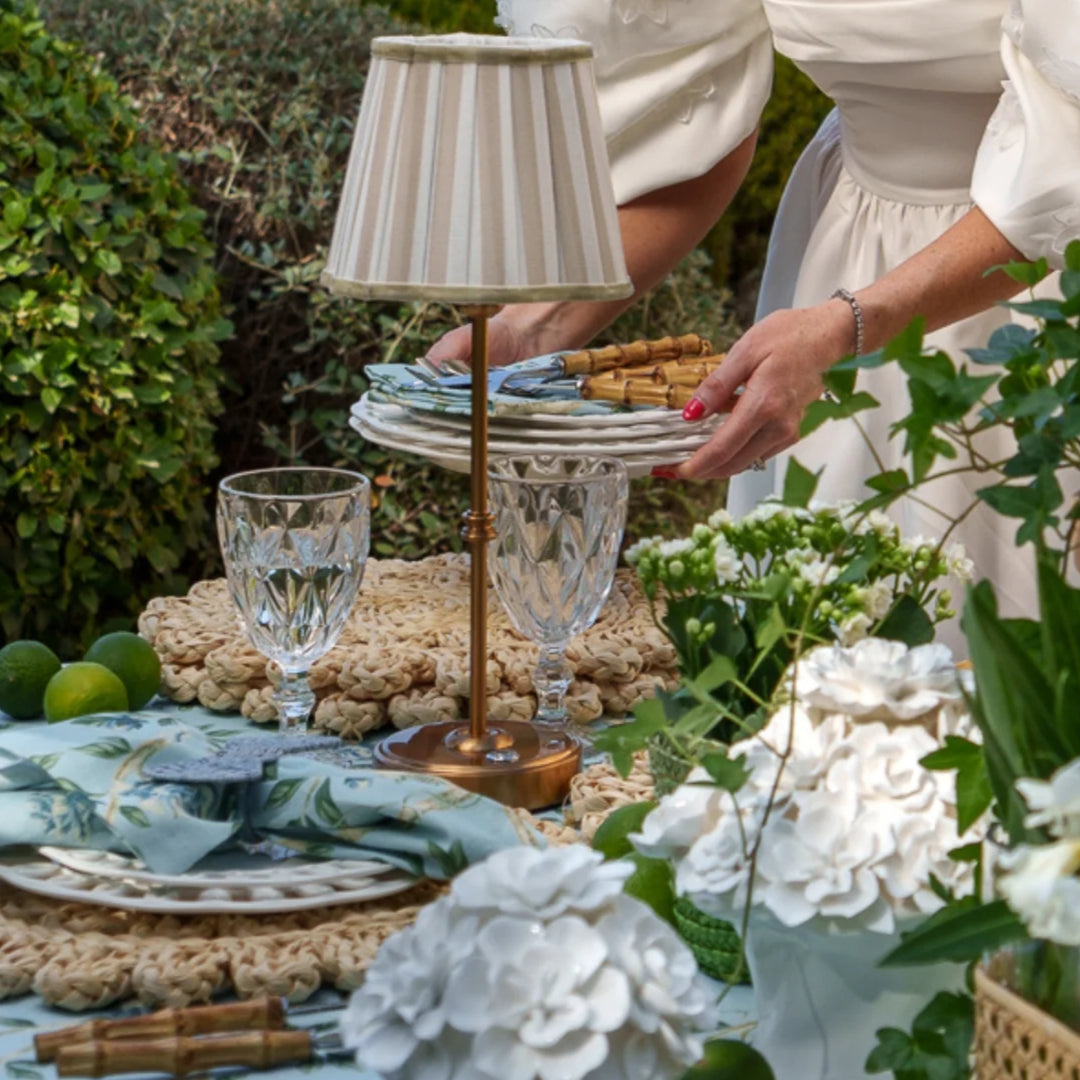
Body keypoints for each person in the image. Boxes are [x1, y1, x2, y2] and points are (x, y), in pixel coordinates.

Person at [427, 0, 1080, 626]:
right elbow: (699, 120)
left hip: (1047, 289)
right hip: (846, 260)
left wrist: (850, 328)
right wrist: (536, 327)